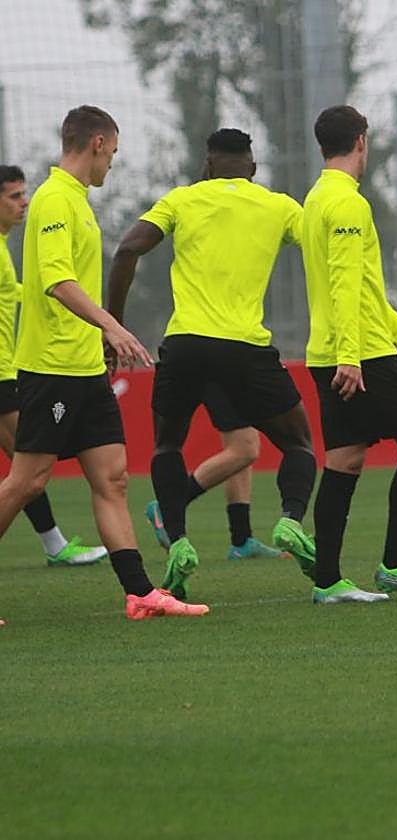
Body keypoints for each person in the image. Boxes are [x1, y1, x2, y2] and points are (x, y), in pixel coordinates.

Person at [0, 105, 207, 622]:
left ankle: (139, 592)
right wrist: (111, 325)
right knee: (28, 481)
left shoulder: (74, 200)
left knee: (112, 478)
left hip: (86, 368)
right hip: (51, 368)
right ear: (95, 144)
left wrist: (101, 341)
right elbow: (56, 280)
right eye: (112, 153)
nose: (111, 164)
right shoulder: (52, 200)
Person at [109, 128, 319, 601]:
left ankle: (179, 541)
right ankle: (289, 520)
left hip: (184, 346)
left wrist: (113, 327)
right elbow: (325, 252)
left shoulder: (181, 200)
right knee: (298, 444)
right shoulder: (279, 206)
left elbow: (126, 248)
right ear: (253, 168)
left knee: (167, 446)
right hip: (244, 347)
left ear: (207, 164)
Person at [301, 105, 397, 604]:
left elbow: (361, 286)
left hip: (332, 351)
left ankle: (327, 581)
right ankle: (396, 564)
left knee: (344, 459)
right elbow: (345, 286)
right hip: (358, 353)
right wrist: (352, 356)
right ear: (361, 141)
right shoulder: (347, 205)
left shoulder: (316, 199)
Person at [0, 164, 108, 566]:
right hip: (6, 372)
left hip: (11, 370)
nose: (23, 202)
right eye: (13, 195)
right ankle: (55, 546)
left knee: (25, 476)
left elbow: (19, 291)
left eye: (23, 193)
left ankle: (55, 544)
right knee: (25, 477)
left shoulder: (7, 246)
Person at [143, 385, 284, 561]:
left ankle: (242, 541)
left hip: (220, 365)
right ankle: (168, 507)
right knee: (245, 448)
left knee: (242, 441)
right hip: (218, 366)